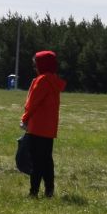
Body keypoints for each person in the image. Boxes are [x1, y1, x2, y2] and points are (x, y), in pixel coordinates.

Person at [20, 49, 65, 198]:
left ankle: (33, 192)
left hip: (37, 127)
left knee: (36, 162)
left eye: (36, 64)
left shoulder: (42, 80)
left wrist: (25, 118)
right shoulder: (54, 80)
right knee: (47, 160)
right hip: (49, 128)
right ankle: (49, 190)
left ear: (42, 65)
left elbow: (33, 103)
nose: (35, 67)